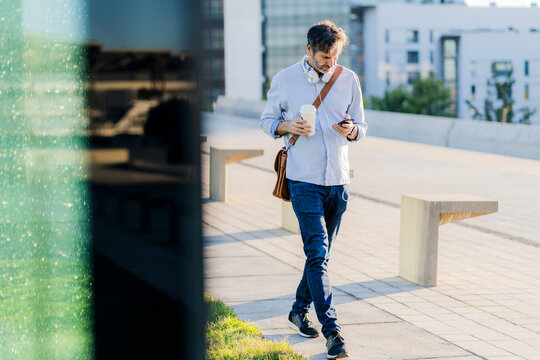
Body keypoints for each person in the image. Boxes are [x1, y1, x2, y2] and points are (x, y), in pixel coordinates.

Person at [260, 20, 367, 359]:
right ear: (309, 50)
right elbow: (266, 120)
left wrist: (350, 130)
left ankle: (297, 309)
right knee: (317, 253)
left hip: (338, 180)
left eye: (334, 56)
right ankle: (333, 333)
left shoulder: (348, 79)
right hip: (303, 178)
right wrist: (286, 125)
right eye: (323, 56)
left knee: (319, 256)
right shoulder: (285, 78)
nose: (329, 62)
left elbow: (361, 127)